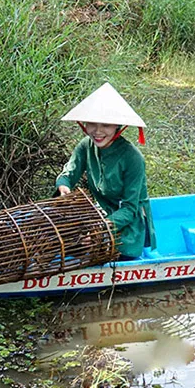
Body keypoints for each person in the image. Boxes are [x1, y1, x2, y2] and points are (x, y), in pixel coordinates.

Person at [55, 82, 156, 260]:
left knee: (115, 253)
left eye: (106, 125)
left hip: (127, 223)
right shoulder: (86, 146)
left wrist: (100, 228)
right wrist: (64, 187)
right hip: (99, 214)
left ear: (118, 126)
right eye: (92, 123)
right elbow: (68, 174)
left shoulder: (132, 158)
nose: (98, 131)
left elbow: (130, 209)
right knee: (61, 244)